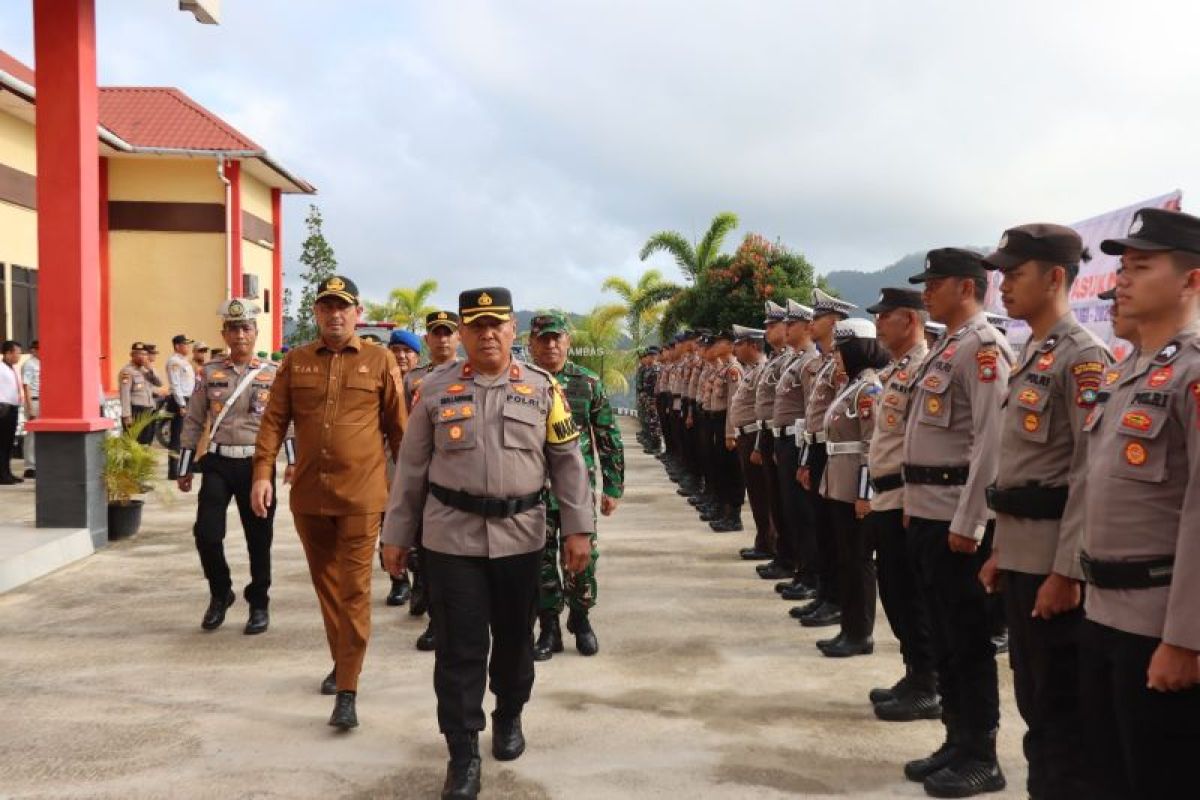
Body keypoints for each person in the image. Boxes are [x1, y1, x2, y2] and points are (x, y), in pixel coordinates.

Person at [381, 287, 593, 800]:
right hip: (450, 538)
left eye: (496, 323)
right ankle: (461, 752)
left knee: (516, 641)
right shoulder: (433, 389)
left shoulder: (542, 388)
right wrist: (396, 536)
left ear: (512, 330)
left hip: (521, 537)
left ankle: (510, 714)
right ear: (462, 332)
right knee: (459, 647)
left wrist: (578, 527)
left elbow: (568, 462)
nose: (487, 333)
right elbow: (409, 469)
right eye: (476, 326)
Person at [974, 224, 1109, 798]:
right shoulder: (1033, 350)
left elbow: (1087, 474)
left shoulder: (1082, 357)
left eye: (1017, 273)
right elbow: (1023, 465)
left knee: (1061, 711)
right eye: (1002, 273)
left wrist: (1067, 571)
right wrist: (1002, 546)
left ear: (1056, 276)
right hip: (1024, 551)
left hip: (1056, 562)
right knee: (1033, 697)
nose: (1003, 285)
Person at [1074, 208, 1200, 799]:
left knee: (1159, 777)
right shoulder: (1128, 373)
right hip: (1102, 610)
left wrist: (1186, 639)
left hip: (1157, 624)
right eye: (1120, 267)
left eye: (1140, 267)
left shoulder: (1193, 373)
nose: (1120, 279)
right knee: (1104, 772)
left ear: (1192, 280)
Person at [251, 275, 406, 731]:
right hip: (310, 498)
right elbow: (274, 421)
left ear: (357, 312)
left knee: (355, 589)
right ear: (317, 313)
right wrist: (263, 472)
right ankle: (344, 660)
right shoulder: (296, 362)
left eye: (343, 307)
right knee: (329, 587)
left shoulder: (379, 361)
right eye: (326, 307)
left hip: (362, 495)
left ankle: (347, 689)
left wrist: (408, 497)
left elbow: (400, 432)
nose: (335, 315)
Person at [902, 248, 1012, 797]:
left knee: (968, 639)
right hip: (927, 512)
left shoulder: (983, 349)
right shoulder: (946, 347)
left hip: (956, 519)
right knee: (944, 634)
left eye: (935, 282)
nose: (926, 291)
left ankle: (982, 753)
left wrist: (972, 520)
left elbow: (991, 441)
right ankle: (956, 738)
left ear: (967, 287)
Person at [178, 300, 291, 635]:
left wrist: (293, 462)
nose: (240, 334)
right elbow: (195, 419)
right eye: (234, 328)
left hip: (257, 465)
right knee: (206, 533)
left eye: (246, 328)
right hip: (217, 462)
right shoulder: (209, 372)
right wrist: (185, 466)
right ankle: (220, 592)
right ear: (224, 333)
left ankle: (259, 602)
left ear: (256, 333)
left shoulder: (273, 373)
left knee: (259, 538)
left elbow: (288, 420)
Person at [528, 311, 623, 660]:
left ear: (568, 341)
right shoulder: (521, 383)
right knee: (539, 561)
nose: (551, 344)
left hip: (576, 492)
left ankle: (580, 619)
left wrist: (613, 487)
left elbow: (608, 436)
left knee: (583, 560)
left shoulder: (587, 383)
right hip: (532, 493)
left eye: (557, 338)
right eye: (544, 338)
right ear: (531, 343)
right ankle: (548, 626)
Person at [863, 288, 939, 722]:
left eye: (885, 316)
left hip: (907, 496)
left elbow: (923, 441)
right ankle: (914, 672)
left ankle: (927, 683)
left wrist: (914, 497)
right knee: (894, 590)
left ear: (909, 320)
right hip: (886, 494)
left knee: (912, 595)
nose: (877, 323)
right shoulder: (898, 370)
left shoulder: (925, 368)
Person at [817, 318, 889, 657]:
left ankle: (861, 633)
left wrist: (865, 493)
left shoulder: (869, 389)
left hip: (854, 489)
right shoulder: (852, 386)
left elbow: (871, 445)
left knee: (858, 561)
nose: (836, 357)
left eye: (842, 351)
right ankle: (849, 626)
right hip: (838, 483)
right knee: (844, 558)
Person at [397, 310, 462, 652]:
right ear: (427, 339)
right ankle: (434, 612)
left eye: (448, 332)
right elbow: (403, 425)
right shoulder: (413, 379)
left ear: (458, 337)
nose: (442, 339)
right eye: (436, 333)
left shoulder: (470, 375)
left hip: (456, 475)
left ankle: (447, 616)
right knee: (425, 545)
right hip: (423, 472)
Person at [795, 288, 857, 627]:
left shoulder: (841, 364)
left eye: (817, 318)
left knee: (833, 534)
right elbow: (812, 414)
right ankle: (824, 593)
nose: (811, 323)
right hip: (817, 447)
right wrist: (806, 457)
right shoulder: (823, 364)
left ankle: (833, 599)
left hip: (833, 452)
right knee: (821, 527)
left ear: (834, 323)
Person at [769, 300, 820, 598]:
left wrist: (803, 456)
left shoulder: (811, 362)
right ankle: (801, 569)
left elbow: (811, 409)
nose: (785, 329)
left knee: (803, 513)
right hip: (785, 439)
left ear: (806, 326)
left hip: (799, 441)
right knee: (790, 510)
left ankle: (810, 574)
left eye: (791, 324)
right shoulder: (795, 360)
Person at [727, 326, 773, 555]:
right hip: (746, 435)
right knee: (755, 494)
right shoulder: (752, 370)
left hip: (755, 436)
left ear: (754, 346)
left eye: (740, 343)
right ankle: (763, 541)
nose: (735, 348)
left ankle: (768, 543)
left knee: (762, 494)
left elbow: (764, 413)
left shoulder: (763, 370)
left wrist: (758, 446)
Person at [166, 334, 196, 480]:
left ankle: (185, 466)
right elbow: (175, 384)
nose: (188, 347)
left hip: (188, 399)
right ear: (177, 346)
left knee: (186, 435)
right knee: (176, 437)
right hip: (180, 401)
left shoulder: (185, 361)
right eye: (185, 344)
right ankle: (173, 470)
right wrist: (181, 404)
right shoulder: (174, 362)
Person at [119, 342, 158, 445]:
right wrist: (127, 415)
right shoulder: (127, 371)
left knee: (146, 443)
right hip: (136, 411)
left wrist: (151, 369)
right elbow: (125, 394)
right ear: (132, 355)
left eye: (144, 354)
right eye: (139, 354)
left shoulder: (146, 370)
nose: (143, 357)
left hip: (148, 410)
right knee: (134, 444)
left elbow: (159, 383)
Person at [0, 340, 23, 484]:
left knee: (9, 444)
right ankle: (2, 475)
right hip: (3, 409)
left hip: (13, 408)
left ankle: (7, 472)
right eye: (17, 353)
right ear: (8, 353)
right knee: (2, 444)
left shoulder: (13, 368)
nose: (19, 356)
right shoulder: (0, 368)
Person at [20, 340, 39, 479]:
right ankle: (30, 466)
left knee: (40, 434)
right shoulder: (29, 364)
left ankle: (38, 463)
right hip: (34, 401)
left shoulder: (42, 363)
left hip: (44, 401)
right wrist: (30, 407)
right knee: (32, 434)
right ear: (33, 350)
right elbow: (26, 386)